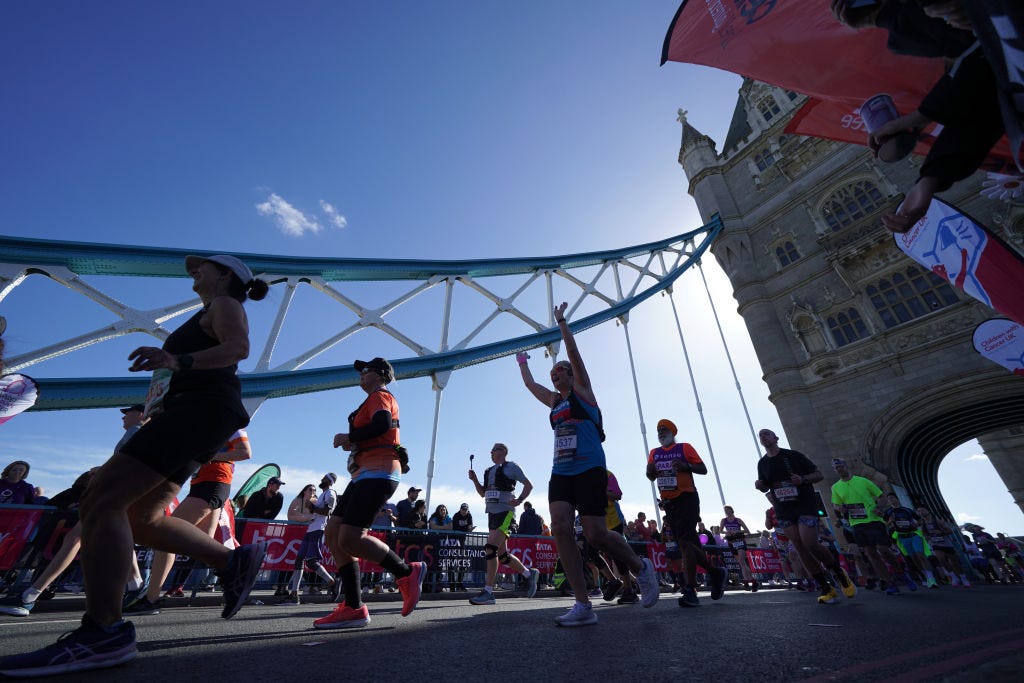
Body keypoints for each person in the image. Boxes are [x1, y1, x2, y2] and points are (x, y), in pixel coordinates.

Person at [0, 254, 271, 676]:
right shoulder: (210, 309)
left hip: (197, 409)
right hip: (194, 412)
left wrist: (177, 361)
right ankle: (232, 561)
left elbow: (238, 348)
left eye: (203, 266)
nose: (193, 270)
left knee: (99, 503)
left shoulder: (225, 305)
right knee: (141, 519)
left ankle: (102, 631)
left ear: (226, 276)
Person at [516, 303, 660, 627]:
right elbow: (529, 385)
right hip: (561, 471)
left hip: (590, 468)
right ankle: (582, 604)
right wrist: (521, 358)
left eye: (561, 371)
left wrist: (562, 322)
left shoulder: (583, 392)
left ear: (572, 375)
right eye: (553, 374)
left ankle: (642, 568)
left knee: (596, 533)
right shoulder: (553, 401)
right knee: (561, 528)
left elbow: (572, 351)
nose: (555, 376)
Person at [313, 357, 425, 629]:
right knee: (333, 534)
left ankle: (406, 572)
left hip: (379, 472)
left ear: (378, 374)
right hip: (363, 473)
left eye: (364, 371)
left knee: (351, 537)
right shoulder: (372, 398)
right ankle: (353, 606)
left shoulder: (380, 396)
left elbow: (382, 425)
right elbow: (378, 432)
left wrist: (349, 437)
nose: (360, 375)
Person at [129, 429, 252, 613]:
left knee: (165, 536)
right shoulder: (202, 427)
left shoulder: (229, 424)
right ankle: (239, 567)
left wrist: (210, 456)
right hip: (203, 485)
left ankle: (151, 599)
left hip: (214, 482)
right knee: (203, 541)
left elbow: (245, 452)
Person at [755, 430, 856, 605]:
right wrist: (759, 485)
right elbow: (765, 486)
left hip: (804, 505)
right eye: (760, 435)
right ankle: (826, 588)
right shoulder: (762, 463)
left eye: (767, 434)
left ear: (775, 438)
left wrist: (802, 479)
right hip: (784, 510)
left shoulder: (793, 456)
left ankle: (838, 572)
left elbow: (819, 475)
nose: (763, 437)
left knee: (809, 542)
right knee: (800, 547)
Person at [647, 418, 726, 607]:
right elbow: (651, 475)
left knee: (685, 543)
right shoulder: (654, 453)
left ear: (673, 432)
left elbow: (703, 469)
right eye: (658, 431)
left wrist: (686, 467)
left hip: (687, 498)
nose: (661, 433)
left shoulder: (684, 448)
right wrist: (650, 472)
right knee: (685, 545)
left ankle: (690, 588)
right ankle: (715, 572)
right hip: (668, 503)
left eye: (664, 430)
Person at [467, 443, 540, 605]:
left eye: (494, 450)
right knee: (503, 555)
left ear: (503, 452)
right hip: (492, 515)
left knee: (490, 548)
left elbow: (529, 485)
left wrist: (519, 500)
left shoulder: (511, 467)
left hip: (506, 513)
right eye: (491, 450)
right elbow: (482, 493)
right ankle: (529, 574)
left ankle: (488, 592)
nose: (491, 452)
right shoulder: (488, 471)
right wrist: (475, 480)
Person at [829, 458, 910, 595]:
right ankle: (889, 581)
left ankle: (901, 573)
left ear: (846, 466)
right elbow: (836, 504)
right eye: (836, 468)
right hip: (856, 523)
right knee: (870, 553)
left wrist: (879, 507)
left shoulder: (863, 481)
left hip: (874, 519)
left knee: (883, 549)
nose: (839, 469)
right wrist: (840, 509)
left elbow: (881, 496)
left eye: (841, 466)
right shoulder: (835, 487)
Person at [280, 473, 340, 605]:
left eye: (324, 478)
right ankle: (294, 595)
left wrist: (312, 508)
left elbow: (328, 511)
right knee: (299, 560)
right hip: (311, 530)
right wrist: (311, 509)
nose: (321, 480)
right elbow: (318, 511)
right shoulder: (322, 495)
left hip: (319, 530)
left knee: (311, 562)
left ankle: (333, 582)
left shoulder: (331, 493)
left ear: (329, 481)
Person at [881, 493, 937, 588]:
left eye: (893, 498)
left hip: (914, 534)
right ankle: (925, 576)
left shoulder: (907, 510)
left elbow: (920, 520)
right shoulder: (888, 512)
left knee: (920, 555)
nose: (891, 500)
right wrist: (890, 521)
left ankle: (932, 579)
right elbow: (884, 525)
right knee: (914, 558)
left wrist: (916, 525)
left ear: (897, 499)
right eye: (889, 499)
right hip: (902, 537)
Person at [720, 505, 758, 592]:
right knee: (742, 563)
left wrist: (737, 531)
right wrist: (727, 532)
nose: (727, 512)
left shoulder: (738, 520)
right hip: (731, 542)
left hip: (739, 541)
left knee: (742, 561)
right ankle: (753, 581)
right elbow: (720, 531)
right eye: (725, 510)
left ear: (732, 510)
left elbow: (747, 530)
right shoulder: (724, 520)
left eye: (728, 510)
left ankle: (746, 582)